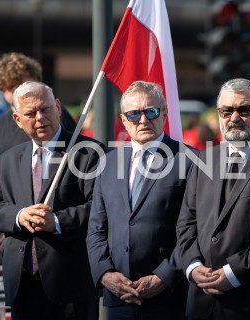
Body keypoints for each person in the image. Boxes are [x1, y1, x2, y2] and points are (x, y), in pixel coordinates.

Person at [0, 81, 105, 320]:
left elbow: (101, 209)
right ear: (18, 119)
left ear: (58, 107)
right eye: (30, 113)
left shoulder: (89, 153)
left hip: (71, 283)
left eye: (45, 109)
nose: (40, 117)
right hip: (23, 284)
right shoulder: (7, 160)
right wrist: (20, 216)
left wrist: (57, 222)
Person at [176, 78, 250, 320]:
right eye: (226, 111)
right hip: (201, 302)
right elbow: (186, 220)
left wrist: (233, 273)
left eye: (243, 110)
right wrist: (193, 267)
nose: (234, 117)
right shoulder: (204, 160)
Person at [86, 81, 193, 320]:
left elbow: (197, 229)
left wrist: (164, 276)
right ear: (124, 120)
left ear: (164, 114)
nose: (143, 120)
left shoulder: (191, 161)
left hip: (170, 298)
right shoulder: (108, 163)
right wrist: (105, 274)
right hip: (119, 298)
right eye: (134, 114)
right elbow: (96, 228)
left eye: (151, 111)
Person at [0, 52, 76, 244]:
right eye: (7, 88)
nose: (14, 92)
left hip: (55, 239)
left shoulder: (55, 119)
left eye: (19, 84)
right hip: (13, 240)